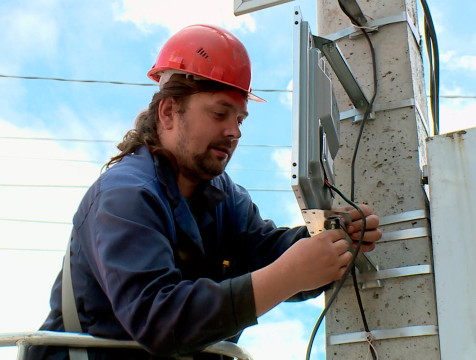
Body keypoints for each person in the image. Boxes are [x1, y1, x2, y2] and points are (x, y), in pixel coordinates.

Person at [29, 24, 381, 359]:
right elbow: (161, 319)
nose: (234, 132)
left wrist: (332, 240)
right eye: (219, 113)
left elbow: (266, 251)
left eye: (240, 119)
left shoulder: (224, 197)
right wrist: (288, 275)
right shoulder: (124, 195)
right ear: (169, 112)